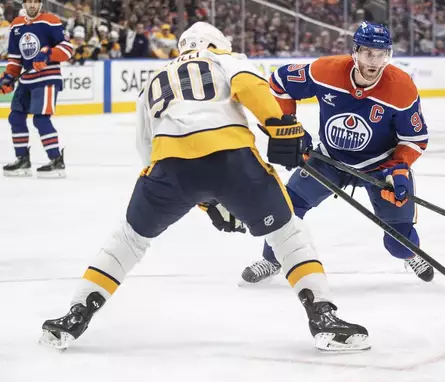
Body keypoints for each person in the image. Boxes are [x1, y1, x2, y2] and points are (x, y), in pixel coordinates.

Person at [39, 21, 370, 353]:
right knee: (288, 234)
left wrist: (203, 200)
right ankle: (323, 317)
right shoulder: (224, 59)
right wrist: (281, 125)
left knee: (127, 240)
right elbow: (249, 86)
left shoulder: (154, 78)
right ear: (215, 43)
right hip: (232, 158)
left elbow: (145, 147)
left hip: (168, 166)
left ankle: (75, 314)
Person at [240, 22, 434, 285]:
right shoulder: (326, 71)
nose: (374, 61)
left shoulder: (401, 88)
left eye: (381, 54)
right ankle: (273, 259)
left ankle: (410, 253)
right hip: (329, 159)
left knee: (398, 242)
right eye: (368, 53)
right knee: (287, 206)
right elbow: (279, 83)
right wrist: (290, 129)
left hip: (380, 167)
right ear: (355, 51)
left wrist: (399, 167)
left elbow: (414, 138)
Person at [0, 0, 73, 178]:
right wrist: (9, 77)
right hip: (27, 78)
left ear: (40, 4)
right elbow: (15, 58)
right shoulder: (16, 26)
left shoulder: (51, 20)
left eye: (35, 2)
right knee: (15, 116)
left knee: (40, 119)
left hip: (47, 77)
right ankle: (22, 159)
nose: (32, 5)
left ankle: (56, 161)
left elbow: (67, 48)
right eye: (29, 2)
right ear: (23, 5)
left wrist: (48, 54)